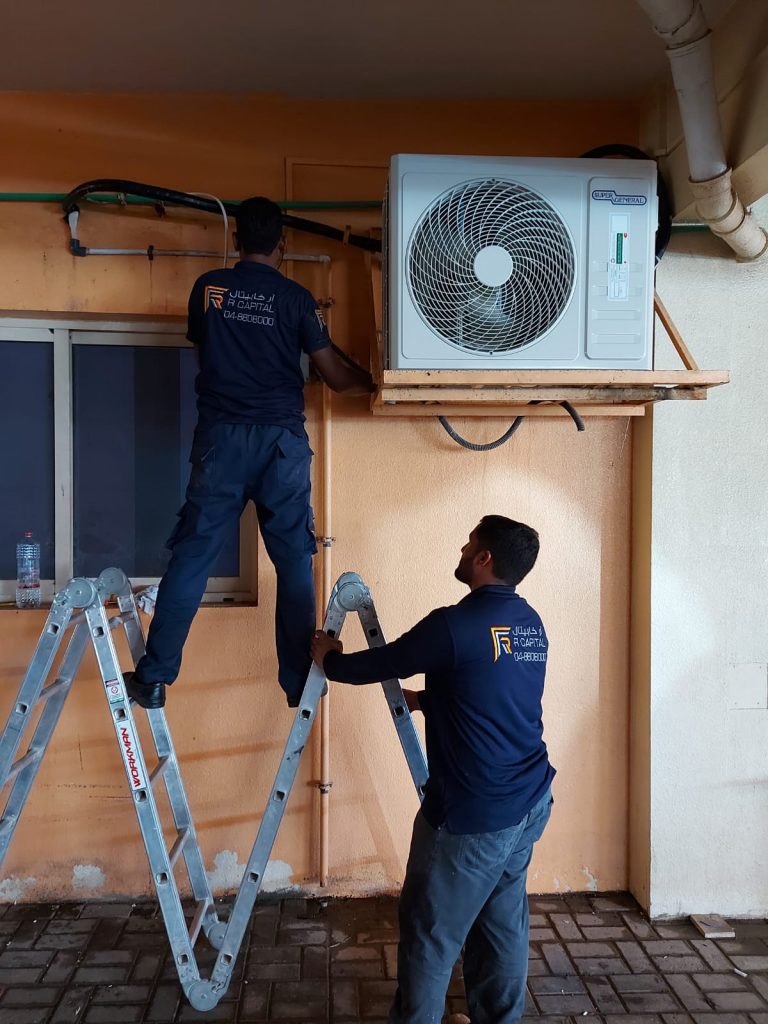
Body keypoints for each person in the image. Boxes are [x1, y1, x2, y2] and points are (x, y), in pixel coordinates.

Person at [124, 196, 373, 710]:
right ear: (283, 243)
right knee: (293, 563)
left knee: (194, 556)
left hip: (222, 440)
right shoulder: (297, 299)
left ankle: (155, 676)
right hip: (281, 445)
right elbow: (333, 375)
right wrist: (374, 384)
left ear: (237, 240)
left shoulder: (208, 289)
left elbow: (206, 357)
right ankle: (299, 683)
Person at [311, 515, 555, 1024]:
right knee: (500, 926)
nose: (462, 549)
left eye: (470, 544)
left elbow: (383, 663)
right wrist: (428, 700)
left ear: (484, 558)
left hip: (474, 817)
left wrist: (330, 660)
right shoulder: (530, 624)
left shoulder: (454, 625)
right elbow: (496, 691)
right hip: (528, 802)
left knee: (431, 932)